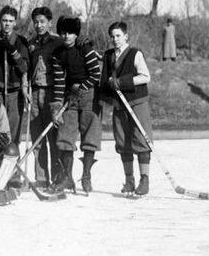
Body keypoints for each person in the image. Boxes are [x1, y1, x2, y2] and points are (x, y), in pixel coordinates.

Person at [49, 16, 102, 194]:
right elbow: (58, 81)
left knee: (90, 136)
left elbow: (96, 73)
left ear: (76, 33)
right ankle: (67, 178)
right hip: (70, 97)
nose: (66, 36)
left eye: (70, 33)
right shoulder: (58, 54)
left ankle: (86, 176)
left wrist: (82, 87)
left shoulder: (84, 49)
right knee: (65, 135)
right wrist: (56, 106)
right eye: (63, 32)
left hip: (89, 96)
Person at [100, 21, 152, 196]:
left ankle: (144, 180)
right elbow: (105, 78)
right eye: (112, 36)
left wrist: (122, 82)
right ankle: (129, 181)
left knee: (141, 140)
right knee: (122, 142)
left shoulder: (135, 54)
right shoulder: (108, 56)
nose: (115, 39)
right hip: (120, 104)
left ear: (126, 36)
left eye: (118, 36)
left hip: (137, 102)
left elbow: (145, 77)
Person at [0, 5, 30, 186]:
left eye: (11, 21)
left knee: (13, 136)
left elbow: (24, 67)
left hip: (13, 93)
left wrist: (13, 51)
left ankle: (12, 176)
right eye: (4, 20)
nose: (7, 24)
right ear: (0, 21)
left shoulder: (20, 41)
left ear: (15, 22)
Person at [27, 6, 62, 189]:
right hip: (34, 93)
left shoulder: (58, 42)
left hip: (52, 93)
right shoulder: (30, 43)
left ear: (49, 22)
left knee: (54, 139)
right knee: (37, 138)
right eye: (36, 22)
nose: (39, 25)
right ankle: (41, 177)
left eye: (42, 22)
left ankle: (57, 177)